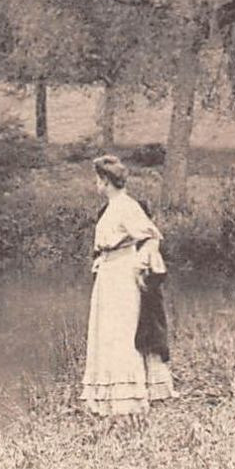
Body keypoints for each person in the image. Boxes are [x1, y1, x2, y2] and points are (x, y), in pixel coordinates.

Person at [81, 154, 175, 417]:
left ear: (105, 181)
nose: (96, 184)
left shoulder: (126, 206)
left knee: (120, 332)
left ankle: (127, 398)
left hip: (121, 275)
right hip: (109, 273)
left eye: (97, 179)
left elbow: (153, 236)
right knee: (108, 332)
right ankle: (109, 398)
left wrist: (139, 264)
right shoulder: (112, 207)